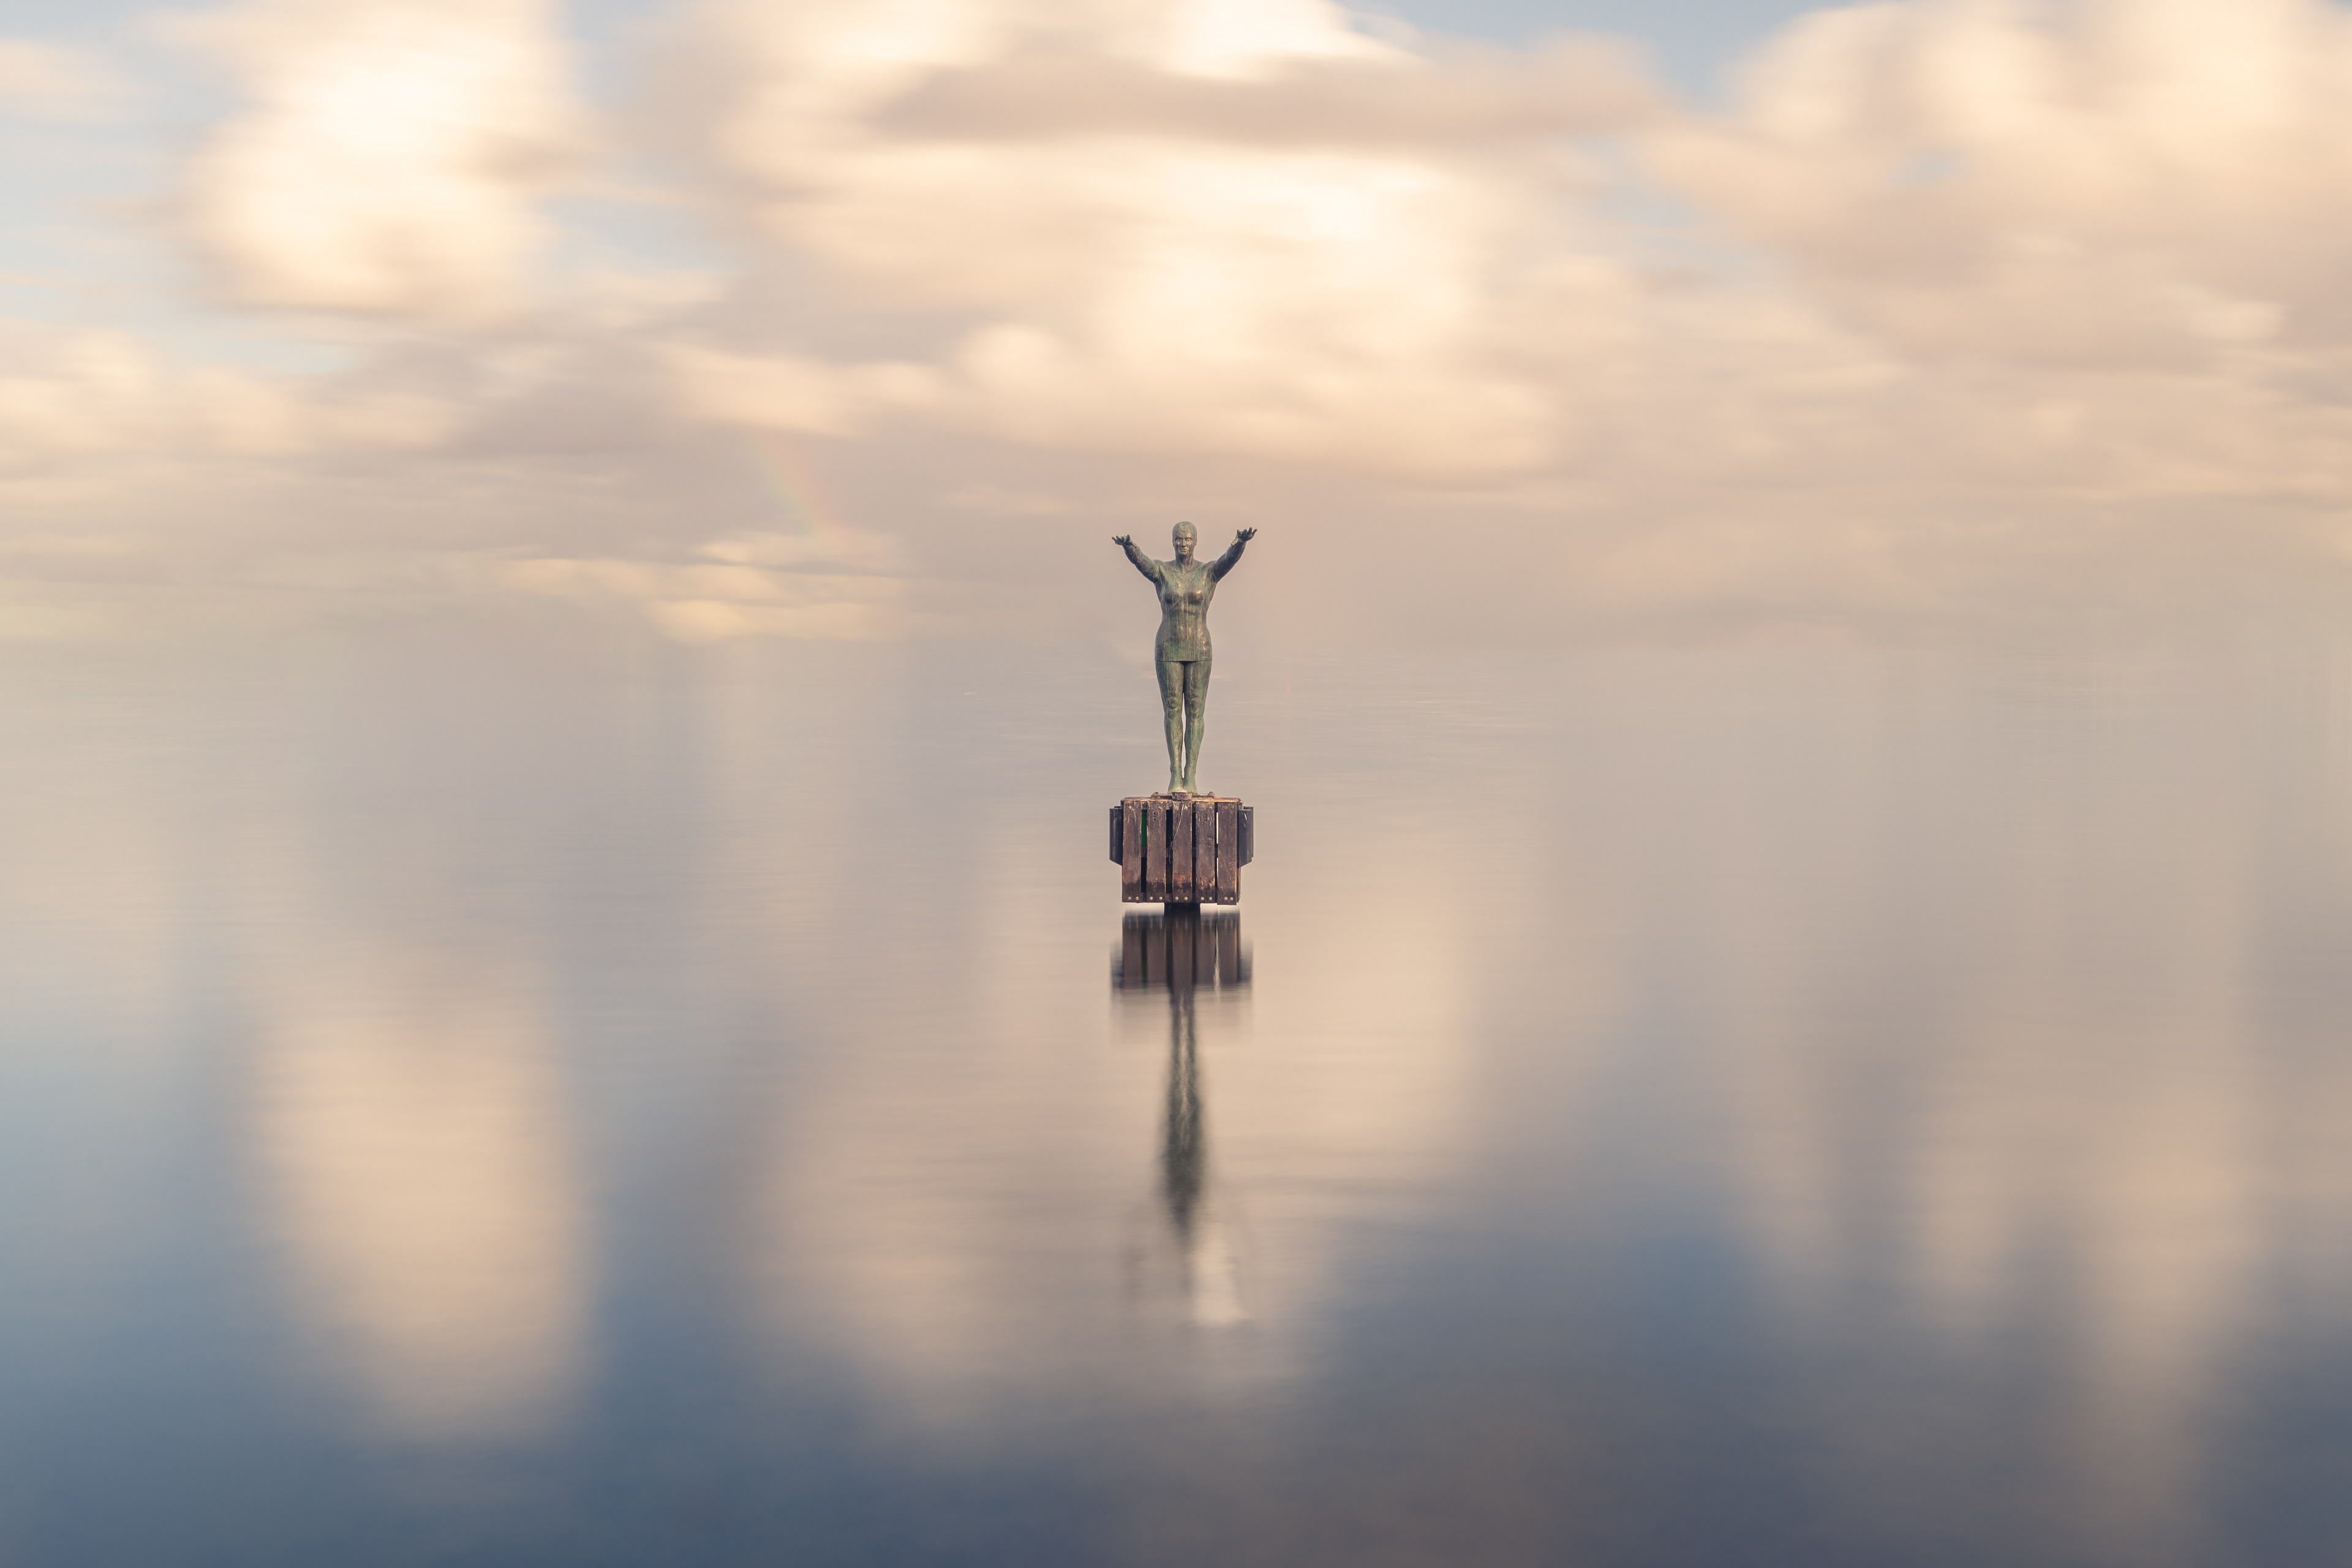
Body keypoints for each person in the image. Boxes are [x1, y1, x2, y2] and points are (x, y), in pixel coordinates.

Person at [1113, 521, 1256, 796]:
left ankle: (1190, 775)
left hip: (1200, 649)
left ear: (1195, 542)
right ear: (1173, 542)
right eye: (1178, 539)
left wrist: (1240, 543)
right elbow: (1143, 564)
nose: (1183, 543)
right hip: (1168, 647)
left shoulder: (1208, 573)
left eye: (1188, 539)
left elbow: (1228, 561)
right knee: (1171, 709)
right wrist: (1130, 547)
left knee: (1195, 711)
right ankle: (1174, 773)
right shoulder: (1163, 572)